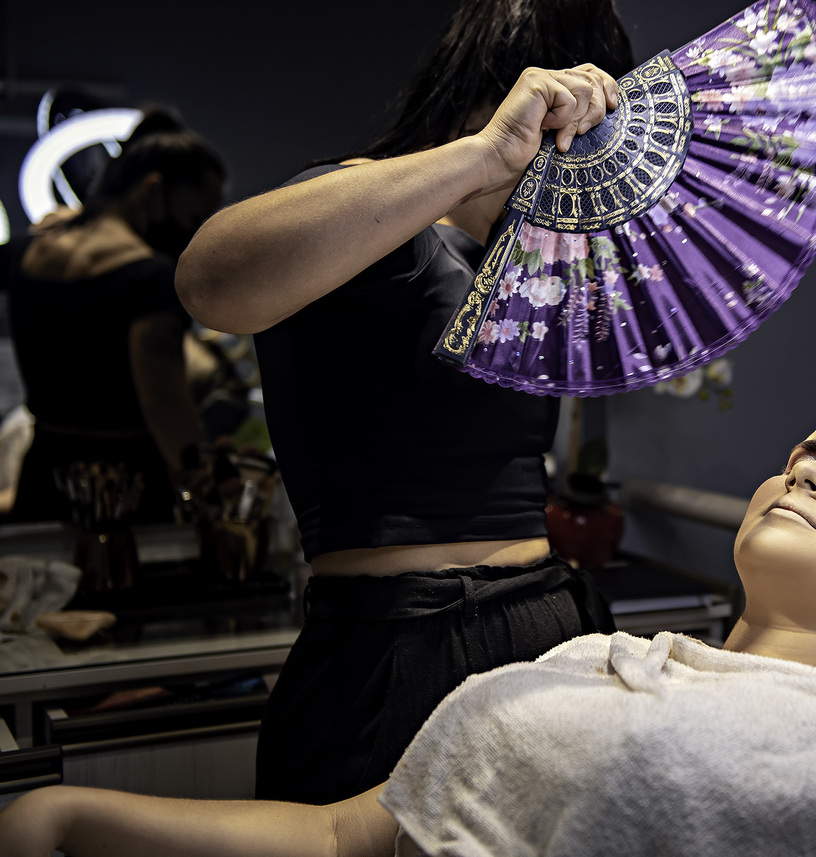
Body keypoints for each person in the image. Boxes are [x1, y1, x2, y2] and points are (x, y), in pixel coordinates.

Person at [0, 327, 816, 856]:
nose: (810, 474)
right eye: (805, 455)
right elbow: (342, 839)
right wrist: (69, 811)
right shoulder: (581, 665)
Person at [173, 0, 635, 805]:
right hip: (397, 643)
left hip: (552, 624)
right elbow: (209, 281)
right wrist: (485, 153)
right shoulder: (374, 205)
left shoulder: (527, 255)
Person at [3, 109, 225, 525]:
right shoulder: (150, 278)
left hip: (44, 473)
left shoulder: (26, 251)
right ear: (152, 189)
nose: (195, 232)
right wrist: (204, 485)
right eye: (195, 217)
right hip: (124, 488)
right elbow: (163, 401)